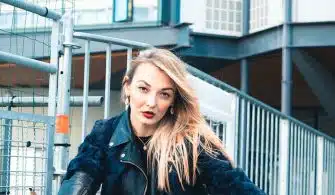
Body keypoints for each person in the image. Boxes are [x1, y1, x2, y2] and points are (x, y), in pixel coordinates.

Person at [58, 48, 265, 195]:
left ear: (174, 99)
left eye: (164, 94)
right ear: (127, 86)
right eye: (143, 89)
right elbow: (80, 178)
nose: (151, 103)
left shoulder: (192, 142)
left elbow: (233, 184)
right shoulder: (105, 134)